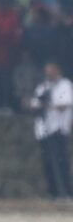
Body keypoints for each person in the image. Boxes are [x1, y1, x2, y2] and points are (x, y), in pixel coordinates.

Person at [27, 62, 73, 199]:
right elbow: (34, 104)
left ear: (57, 70)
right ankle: (52, 192)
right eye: (46, 71)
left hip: (58, 128)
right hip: (43, 129)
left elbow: (64, 105)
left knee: (61, 161)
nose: (48, 74)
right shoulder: (43, 86)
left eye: (51, 71)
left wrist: (46, 104)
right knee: (47, 162)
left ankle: (66, 191)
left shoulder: (65, 85)